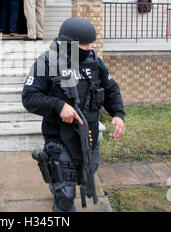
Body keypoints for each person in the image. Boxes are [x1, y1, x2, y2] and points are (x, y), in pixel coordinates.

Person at [22, 17, 125, 212]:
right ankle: (60, 194)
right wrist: (58, 106)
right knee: (66, 197)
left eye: (90, 43)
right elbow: (29, 97)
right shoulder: (47, 62)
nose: (88, 48)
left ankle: (59, 186)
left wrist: (118, 114)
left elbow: (111, 89)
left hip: (88, 137)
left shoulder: (94, 62)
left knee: (86, 174)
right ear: (68, 44)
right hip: (59, 137)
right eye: (83, 44)